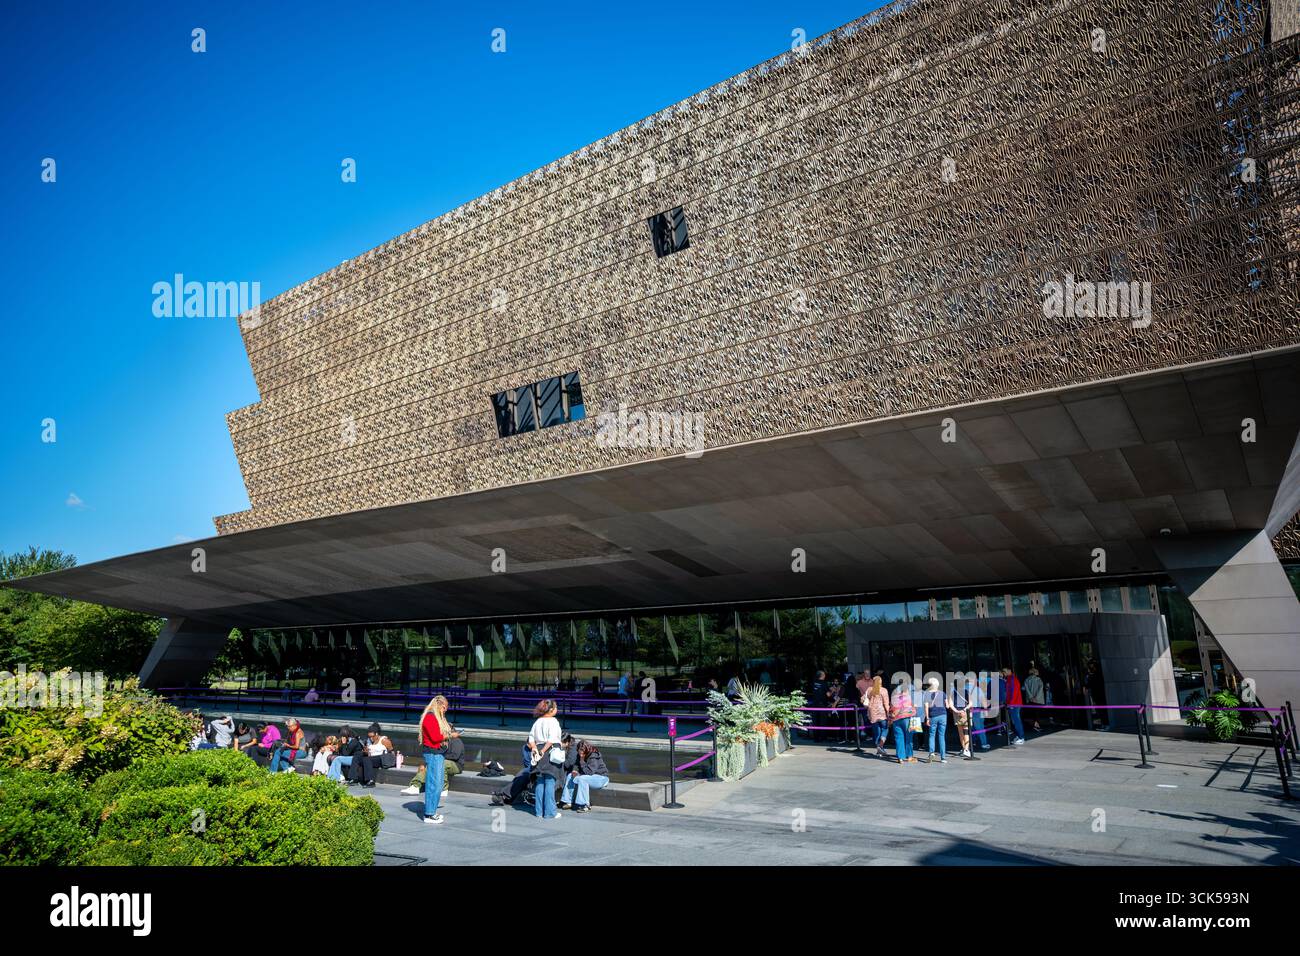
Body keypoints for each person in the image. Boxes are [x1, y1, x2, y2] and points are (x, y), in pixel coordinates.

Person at [402, 717, 464, 797]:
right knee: (427, 764)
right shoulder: (442, 741)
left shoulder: (456, 740)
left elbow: (455, 756)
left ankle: (444, 789)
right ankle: (415, 786)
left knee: (441, 763)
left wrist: (439, 757)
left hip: (456, 765)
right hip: (443, 761)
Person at [527, 699, 565, 820]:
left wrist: (534, 749)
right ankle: (550, 812)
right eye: (556, 707)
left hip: (537, 753)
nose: (557, 709)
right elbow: (552, 739)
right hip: (549, 753)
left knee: (540, 782)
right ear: (551, 709)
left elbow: (531, 739)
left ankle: (539, 811)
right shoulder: (553, 721)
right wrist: (543, 750)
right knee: (550, 782)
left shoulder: (537, 721)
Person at [418, 695, 453, 824]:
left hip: (437, 753)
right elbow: (435, 738)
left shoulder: (434, 717)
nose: (446, 710)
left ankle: (431, 812)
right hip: (433, 754)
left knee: (437, 784)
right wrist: (449, 734)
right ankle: (429, 814)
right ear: (439, 705)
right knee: (434, 784)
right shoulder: (430, 717)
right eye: (445, 707)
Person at [561, 738, 610, 812]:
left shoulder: (594, 756)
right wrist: (575, 771)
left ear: (587, 750)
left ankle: (585, 805)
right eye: (579, 752)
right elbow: (576, 765)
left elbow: (589, 772)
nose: (581, 754)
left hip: (601, 778)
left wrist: (582, 760)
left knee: (582, 779)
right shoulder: (580, 755)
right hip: (589, 777)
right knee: (570, 776)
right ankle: (568, 801)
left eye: (582, 752)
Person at [890, 677, 918, 764]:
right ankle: (909, 756)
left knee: (899, 738)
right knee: (909, 738)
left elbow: (891, 708)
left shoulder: (894, 695)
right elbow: (914, 706)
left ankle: (900, 758)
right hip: (908, 718)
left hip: (896, 719)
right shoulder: (910, 694)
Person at [862, 675, 890, 757]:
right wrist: (889, 713)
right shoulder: (884, 690)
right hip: (882, 714)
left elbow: (863, 698)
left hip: (872, 713)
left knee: (876, 732)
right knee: (885, 729)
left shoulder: (869, 689)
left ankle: (878, 750)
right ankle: (880, 746)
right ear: (881, 682)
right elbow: (886, 703)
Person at [923, 677, 948, 763]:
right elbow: (947, 705)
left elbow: (926, 707)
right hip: (943, 715)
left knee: (932, 735)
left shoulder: (926, 694)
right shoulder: (942, 693)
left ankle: (931, 753)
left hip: (933, 716)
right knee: (941, 736)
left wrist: (927, 718)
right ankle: (943, 757)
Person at [1000, 667, 1026, 745]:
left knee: (1016, 721)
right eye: (1003, 672)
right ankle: (1019, 736)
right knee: (1015, 721)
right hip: (1014, 703)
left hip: (1014, 704)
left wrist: (1010, 703)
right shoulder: (1010, 679)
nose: (1003, 673)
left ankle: (1021, 737)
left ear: (1009, 671)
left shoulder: (1011, 679)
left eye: (1004, 671)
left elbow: (1012, 693)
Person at [1084, 659, 1109, 730]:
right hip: (1096, 695)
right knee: (1099, 710)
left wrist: (1087, 684)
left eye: (1091, 665)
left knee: (1102, 710)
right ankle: (1104, 724)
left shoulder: (1096, 674)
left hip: (1099, 695)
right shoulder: (1093, 674)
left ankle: (1106, 724)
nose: (1090, 667)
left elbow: (1090, 683)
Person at [1023, 667, 1045, 732]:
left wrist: (1031, 697)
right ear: (1034, 672)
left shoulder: (1026, 680)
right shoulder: (1039, 679)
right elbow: (1040, 689)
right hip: (1038, 700)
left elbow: (1026, 689)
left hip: (1030, 700)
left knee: (1033, 713)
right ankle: (1037, 726)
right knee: (1037, 713)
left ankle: (1035, 725)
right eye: (1037, 671)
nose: (1038, 672)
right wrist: (1036, 697)